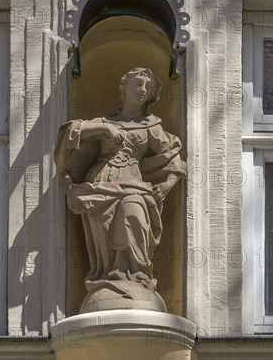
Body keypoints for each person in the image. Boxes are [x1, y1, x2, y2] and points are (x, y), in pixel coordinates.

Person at [54, 68, 186, 312]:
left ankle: (135, 275)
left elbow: (175, 161)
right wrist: (102, 130)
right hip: (101, 181)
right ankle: (108, 274)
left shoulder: (151, 127)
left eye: (147, 88)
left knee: (133, 212)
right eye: (137, 84)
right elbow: (70, 133)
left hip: (133, 182)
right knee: (102, 234)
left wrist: (166, 187)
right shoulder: (105, 122)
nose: (142, 90)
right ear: (124, 88)